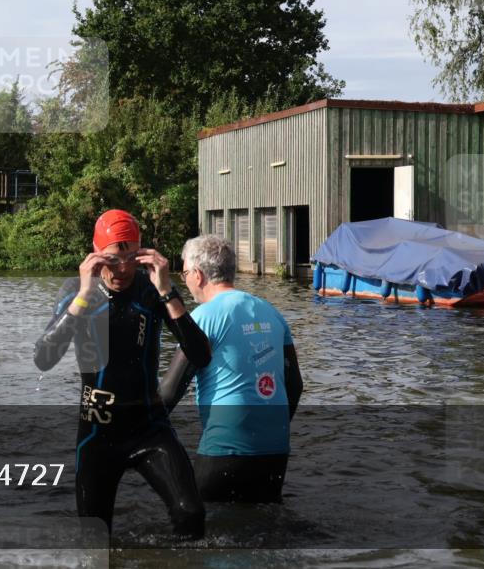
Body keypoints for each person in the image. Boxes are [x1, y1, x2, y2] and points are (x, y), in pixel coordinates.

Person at [34, 209, 212, 539]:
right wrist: (83, 297)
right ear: (96, 255)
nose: (122, 269)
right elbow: (43, 358)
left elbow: (201, 355)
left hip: (148, 426)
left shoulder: (150, 290)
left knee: (191, 513)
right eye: (113, 260)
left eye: (131, 258)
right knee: (94, 540)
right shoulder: (76, 291)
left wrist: (167, 290)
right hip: (97, 433)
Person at [171, 235, 303, 504]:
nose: (185, 280)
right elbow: (295, 385)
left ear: (197, 274)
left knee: (200, 533)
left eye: (184, 273)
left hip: (224, 449)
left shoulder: (202, 317)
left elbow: (169, 392)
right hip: (275, 451)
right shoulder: (271, 312)